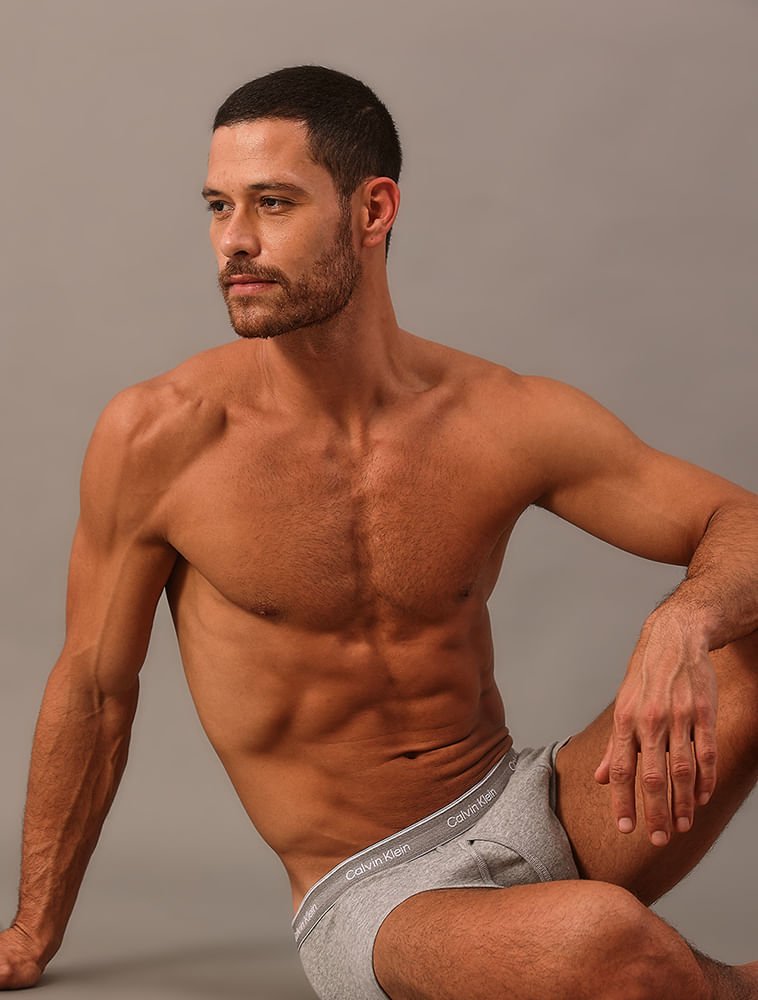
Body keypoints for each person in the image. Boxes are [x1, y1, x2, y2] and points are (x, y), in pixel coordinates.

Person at [0, 64, 756, 1000]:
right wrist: (31, 932)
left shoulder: (499, 415)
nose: (235, 241)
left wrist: (683, 621)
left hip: (542, 808)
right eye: (219, 206)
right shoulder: (162, 437)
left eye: (273, 203)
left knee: (747, 624)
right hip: (372, 892)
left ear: (373, 209)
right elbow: (93, 691)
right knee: (602, 941)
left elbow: (742, 523)